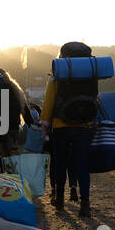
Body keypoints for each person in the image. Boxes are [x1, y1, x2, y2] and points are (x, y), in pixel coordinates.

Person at [40, 41, 98, 220]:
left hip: (60, 124)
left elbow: (49, 100)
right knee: (82, 164)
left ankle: (59, 200)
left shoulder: (58, 72)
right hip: (85, 125)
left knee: (60, 162)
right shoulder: (92, 72)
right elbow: (95, 98)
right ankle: (85, 204)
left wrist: (44, 124)